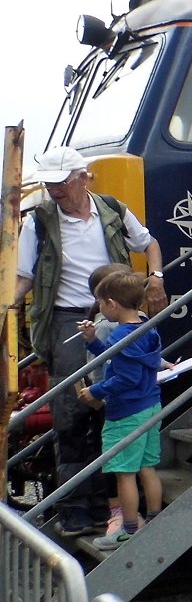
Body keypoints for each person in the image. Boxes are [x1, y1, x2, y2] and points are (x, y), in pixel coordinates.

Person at [15, 146, 167, 537]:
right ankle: (75, 508)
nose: (54, 190)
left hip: (111, 316)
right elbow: (23, 279)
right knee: (71, 412)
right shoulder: (38, 221)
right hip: (70, 319)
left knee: (111, 409)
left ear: (82, 177)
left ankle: (107, 505)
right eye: (49, 183)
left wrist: (157, 276)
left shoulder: (113, 208)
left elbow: (148, 243)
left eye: (61, 182)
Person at [75, 270, 165, 550]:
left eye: (100, 302)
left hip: (125, 413)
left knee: (124, 473)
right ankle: (154, 520)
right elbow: (126, 359)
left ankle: (127, 530)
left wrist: (95, 391)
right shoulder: (147, 325)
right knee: (148, 467)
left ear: (112, 304)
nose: (99, 307)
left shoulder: (120, 336)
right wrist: (92, 340)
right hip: (151, 406)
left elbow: (125, 378)